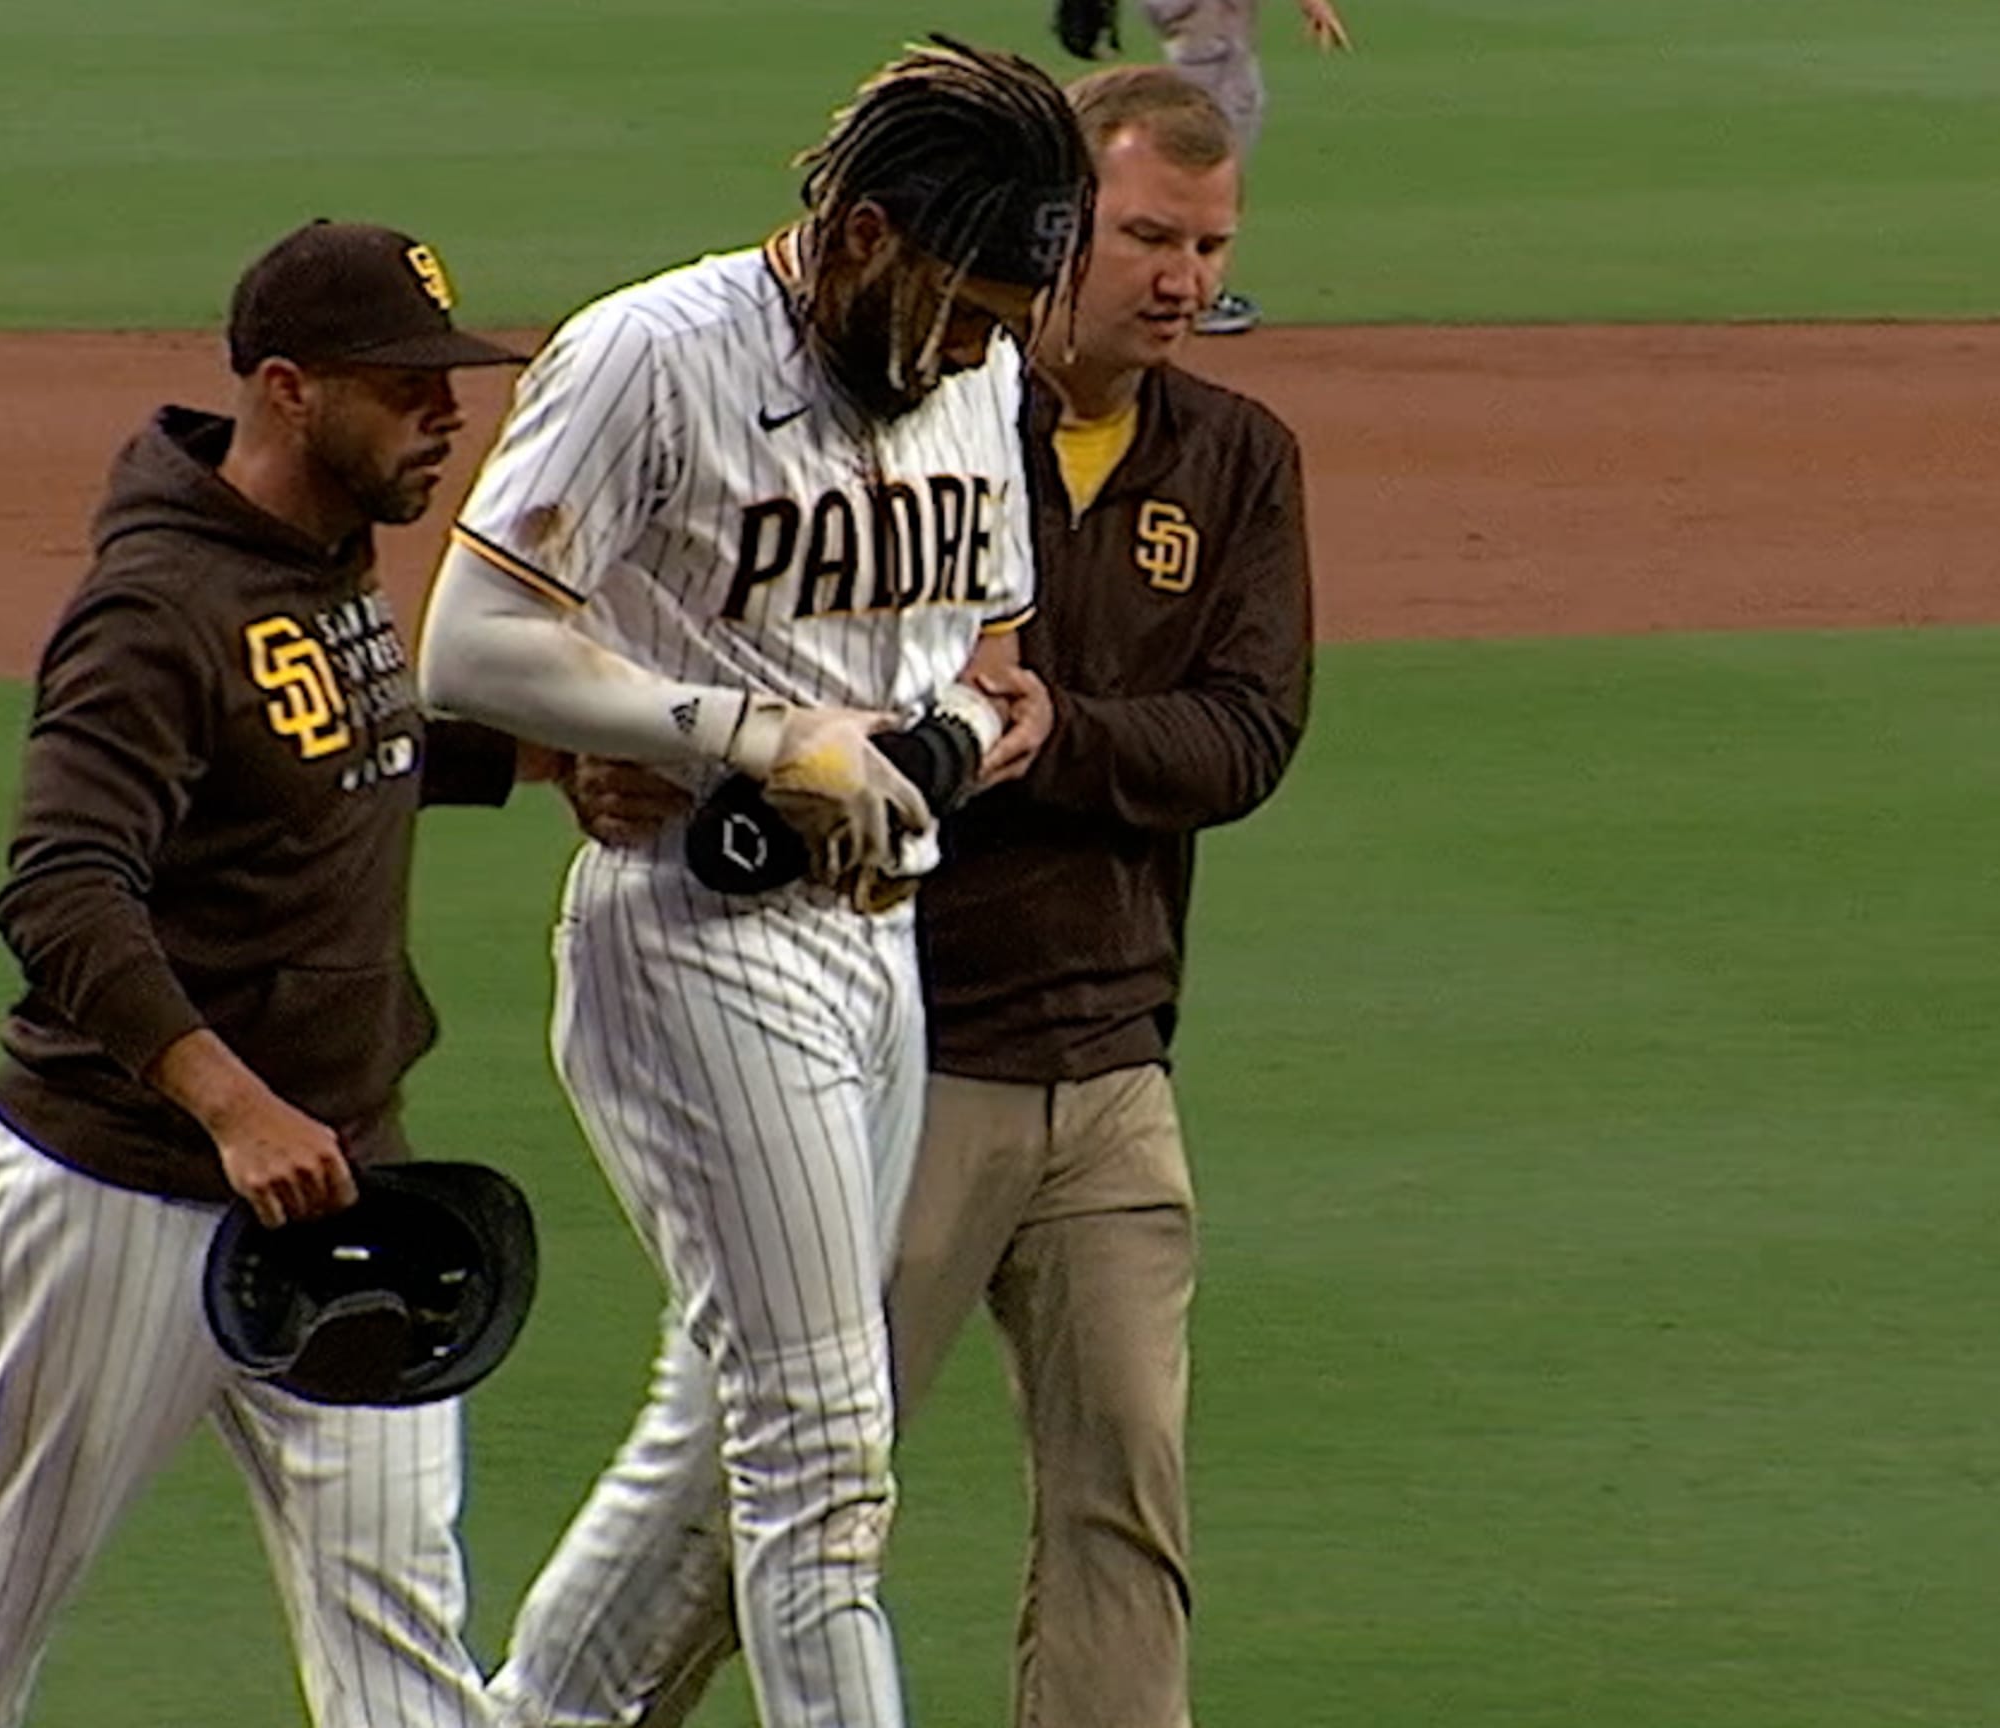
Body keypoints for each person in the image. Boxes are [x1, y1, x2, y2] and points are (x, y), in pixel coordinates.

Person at [518, 61, 1317, 1728]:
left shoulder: (1235, 456)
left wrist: (1045, 733)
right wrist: (649, 757)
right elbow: (678, 638)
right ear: (1047, 229)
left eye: (1209, 243)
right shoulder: (914, 392)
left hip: (1109, 1059)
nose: (1180, 276)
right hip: (898, 1042)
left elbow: (1247, 733)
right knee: (777, 1476)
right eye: (1147, 235)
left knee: (1124, 1506)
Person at [409, 37, 1091, 1728]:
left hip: (880, 943)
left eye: (1005, 319)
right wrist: (750, 737)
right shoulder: (649, 353)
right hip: (692, 939)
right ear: (860, 233)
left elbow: (985, 666)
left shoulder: (980, 380)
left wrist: (916, 752)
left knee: (733, 1411)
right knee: (823, 1447)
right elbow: (468, 644)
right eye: (960, 307)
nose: (981, 352)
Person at [0, 218, 535, 1728]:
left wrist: (547, 757)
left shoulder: (327, 560)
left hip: (349, 1187)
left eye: (453, 382)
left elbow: (329, 747)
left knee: (404, 1637)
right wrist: (231, 1106)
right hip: (127, 1193)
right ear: (289, 390)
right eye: (406, 385)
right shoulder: (154, 611)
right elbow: (60, 889)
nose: (449, 413)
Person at [1133, 0, 1352, 334]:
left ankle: (1175, 284)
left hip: (1190, 26)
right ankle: (1194, 295)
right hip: (1209, 34)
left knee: (1201, 146)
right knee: (1207, 160)